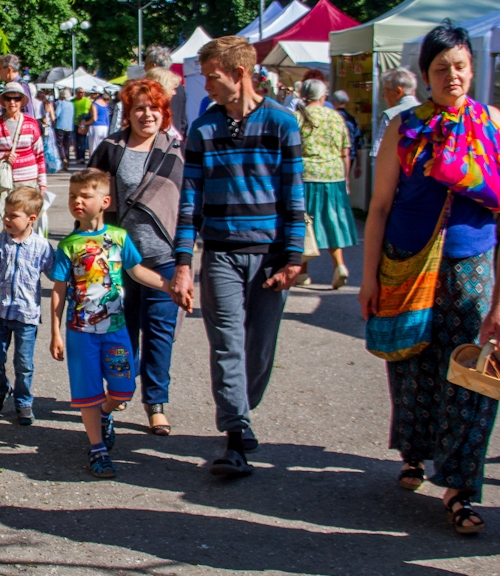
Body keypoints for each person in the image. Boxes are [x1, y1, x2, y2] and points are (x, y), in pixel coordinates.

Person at [359, 23, 500, 535]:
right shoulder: (405, 127)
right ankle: (416, 452)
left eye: (460, 66)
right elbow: (377, 209)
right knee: (413, 362)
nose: (453, 76)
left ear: (472, 69)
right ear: (425, 75)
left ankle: (460, 487)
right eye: (441, 69)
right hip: (407, 260)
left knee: (474, 372)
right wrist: (368, 278)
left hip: (472, 263)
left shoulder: (494, 125)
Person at [171, 36, 305, 478]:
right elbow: (189, 199)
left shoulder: (283, 123)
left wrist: (293, 258)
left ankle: (241, 411)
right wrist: (185, 264)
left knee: (260, 349)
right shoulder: (203, 128)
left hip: (269, 258)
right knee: (225, 344)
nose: (206, 86)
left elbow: (295, 197)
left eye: (212, 77)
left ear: (239, 74)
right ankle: (235, 434)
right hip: (222, 255)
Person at [48, 168, 174, 478]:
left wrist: (170, 286)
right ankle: (98, 450)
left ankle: (105, 415)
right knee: (88, 392)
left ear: (105, 201)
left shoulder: (119, 238)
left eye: (85, 195)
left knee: (123, 390)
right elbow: (59, 291)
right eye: (72, 196)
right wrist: (54, 332)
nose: (77, 201)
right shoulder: (68, 246)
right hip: (80, 334)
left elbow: (137, 272)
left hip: (116, 332)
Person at [88, 79, 184, 436]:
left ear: (164, 112)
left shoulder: (175, 150)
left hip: (164, 256)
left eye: (154, 107)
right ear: (127, 113)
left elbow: (187, 205)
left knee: (160, 332)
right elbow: (90, 197)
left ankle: (156, 403)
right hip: (118, 259)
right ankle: (119, 388)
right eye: (139, 108)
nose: (147, 114)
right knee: (121, 332)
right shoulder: (111, 148)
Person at [0, 187, 54, 426]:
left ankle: (23, 402)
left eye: (13, 215)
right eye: (6, 214)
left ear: (32, 218)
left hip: (26, 315)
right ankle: (0, 390)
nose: (7, 219)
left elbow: (57, 276)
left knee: (24, 363)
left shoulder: (42, 247)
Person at [294, 80, 358, 289]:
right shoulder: (336, 117)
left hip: (308, 175)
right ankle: (339, 265)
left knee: (306, 222)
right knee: (332, 221)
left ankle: (303, 271)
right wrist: (346, 178)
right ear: (323, 96)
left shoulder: (298, 116)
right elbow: (345, 151)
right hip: (333, 174)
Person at [0, 81, 47, 241]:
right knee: (0, 217)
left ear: (22, 101)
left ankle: (25, 251)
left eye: (16, 98)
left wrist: (42, 183)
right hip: (3, 182)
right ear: (3, 101)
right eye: (8, 99)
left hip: (28, 180)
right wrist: (1, 156)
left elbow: (40, 155)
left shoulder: (31, 124)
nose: (12, 102)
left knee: (25, 219)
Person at [369, 67, 419, 171]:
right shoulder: (427, 112)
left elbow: (379, 153)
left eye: (386, 90)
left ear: (398, 91)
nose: (383, 96)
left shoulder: (390, 115)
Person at [330, 90, 363, 179]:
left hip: (333, 156)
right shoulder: (353, 120)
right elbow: (358, 142)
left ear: (334, 102)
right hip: (350, 156)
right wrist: (359, 164)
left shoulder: (331, 118)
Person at [0, 54, 35, 119]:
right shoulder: (10, 85)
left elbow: (28, 113)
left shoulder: (21, 86)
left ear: (9, 69)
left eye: (0, 69)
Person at [54, 89, 75, 170]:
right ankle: (67, 158)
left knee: (60, 144)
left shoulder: (60, 103)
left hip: (60, 125)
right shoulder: (71, 104)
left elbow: (57, 114)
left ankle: (63, 158)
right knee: (67, 144)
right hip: (69, 126)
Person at [72, 88, 92, 162]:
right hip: (75, 124)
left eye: (83, 92)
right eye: (80, 92)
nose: (82, 94)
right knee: (76, 141)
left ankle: (82, 157)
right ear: (76, 93)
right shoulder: (72, 101)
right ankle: (78, 157)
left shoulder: (87, 101)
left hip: (84, 124)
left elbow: (91, 111)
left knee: (82, 141)